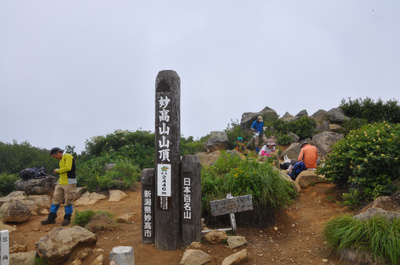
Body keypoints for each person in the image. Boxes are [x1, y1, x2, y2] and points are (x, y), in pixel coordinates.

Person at [41, 147, 77, 226]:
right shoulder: (61, 160)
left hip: (69, 182)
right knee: (56, 199)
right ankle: (51, 218)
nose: (55, 158)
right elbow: (63, 172)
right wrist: (58, 181)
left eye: (54, 156)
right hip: (61, 182)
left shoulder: (68, 156)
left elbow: (68, 168)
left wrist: (57, 170)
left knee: (68, 200)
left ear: (57, 152)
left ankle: (67, 218)